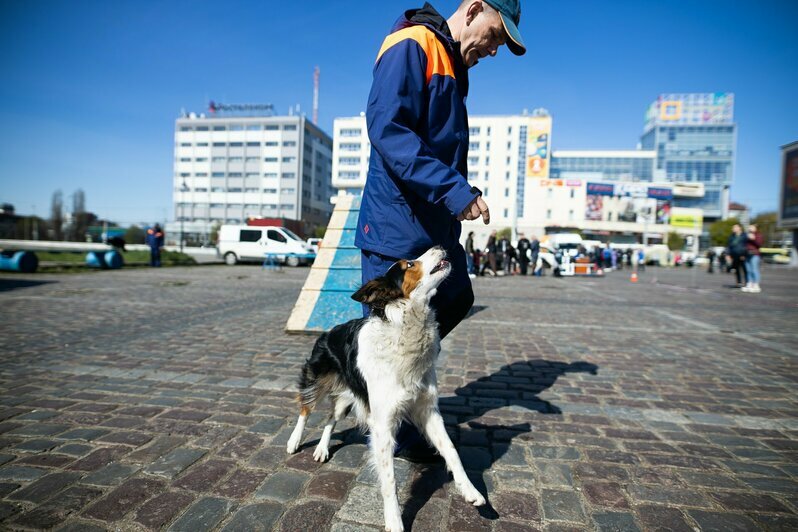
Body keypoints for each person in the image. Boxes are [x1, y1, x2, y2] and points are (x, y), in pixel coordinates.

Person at [354, 0, 526, 461]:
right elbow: (388, 128)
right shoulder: (414, 43)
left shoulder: (451, 61)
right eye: (495, 36)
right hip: (395, 224)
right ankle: (393, 425)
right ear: (473, 10)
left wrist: (456, 198)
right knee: (386, 330)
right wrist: (455, 191)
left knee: (457, 299)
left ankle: (393, 396)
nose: (494, 51)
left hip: (431, 225)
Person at [742, 224, 763, 293]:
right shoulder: (746, 235)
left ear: (755, 228)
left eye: (751, 227)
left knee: (754, 269)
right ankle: (749, 284)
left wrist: (753, 239)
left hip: (755, 254)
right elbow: (743, 244)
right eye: (749, 227)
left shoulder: (758, 235)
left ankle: (756, 285)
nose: (750, 228)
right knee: (748, 270)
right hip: (747, 254)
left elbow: (759, 244)